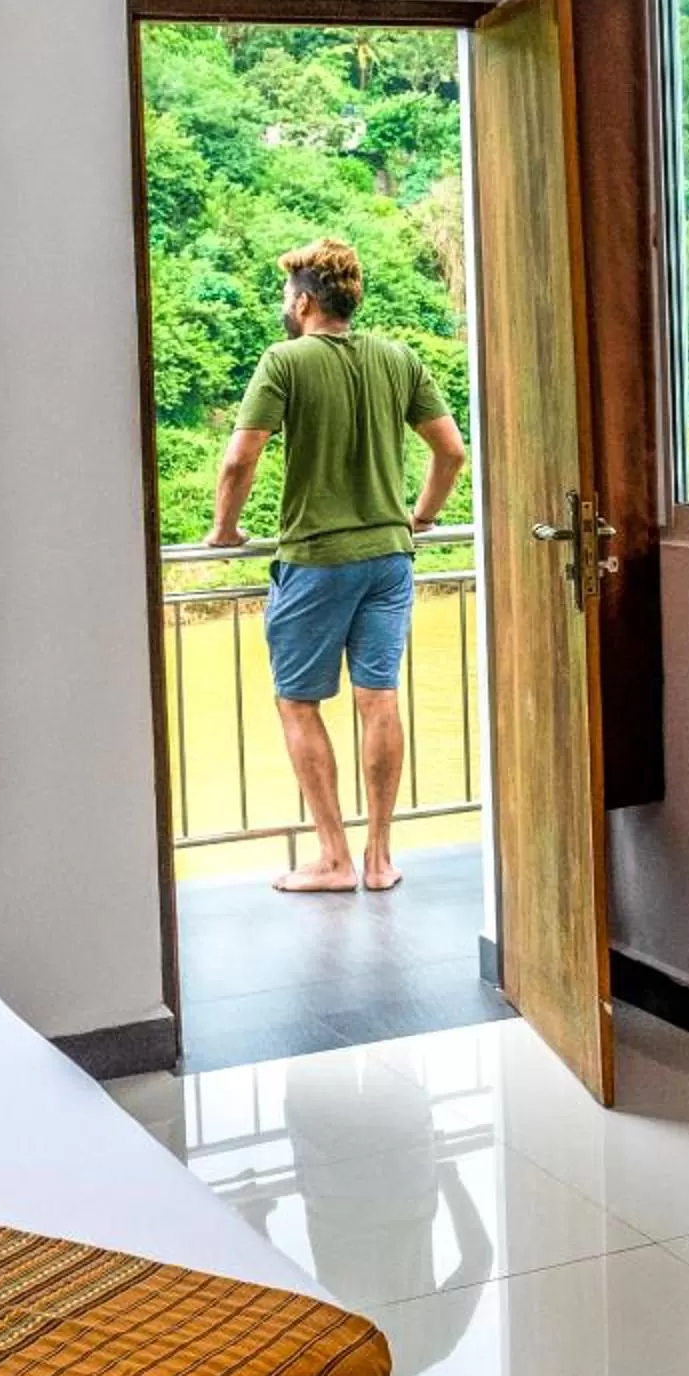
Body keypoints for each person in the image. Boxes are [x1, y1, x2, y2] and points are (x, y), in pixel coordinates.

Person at [205, 240, 468, 893]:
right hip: (388, 557)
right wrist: (420, 516)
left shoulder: (284, 361)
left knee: (297, 703)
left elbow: (240, 460)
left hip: (318, 558)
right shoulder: (398, 358)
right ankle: (380, 859)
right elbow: (452, 453)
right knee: (378, 698)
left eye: (285, 298)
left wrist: (224, 529)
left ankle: (333, 858)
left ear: (302, 301)